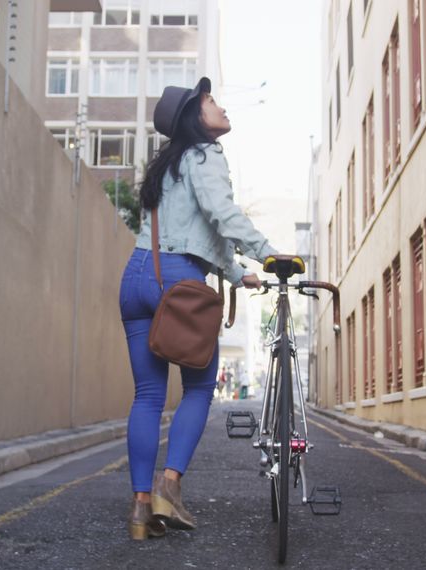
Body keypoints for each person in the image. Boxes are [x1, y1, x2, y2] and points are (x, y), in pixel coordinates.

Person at [118, 77, 279, 540]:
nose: (220, 105)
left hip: (136, 277)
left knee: (147, 396)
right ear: (195, 117)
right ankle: (169, 487)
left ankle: (140, 511)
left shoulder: (167, 167)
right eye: (211, 101)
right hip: (179, 281)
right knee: (198, 389)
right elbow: (220, 215)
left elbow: (199, 229)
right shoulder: (206, 156)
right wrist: (268, 254)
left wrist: (233, 273)